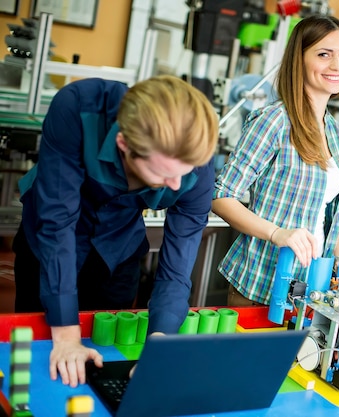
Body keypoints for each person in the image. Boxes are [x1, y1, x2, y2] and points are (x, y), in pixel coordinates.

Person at [12, 74, 219, 387]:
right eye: (164, 174)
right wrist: (66, 336)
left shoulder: (196, 166)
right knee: (39, 363)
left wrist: (159, 344)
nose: (177, 185)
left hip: (118, 247)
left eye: (184, 173)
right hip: (49, 243)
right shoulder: (79, 106)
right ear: (124, 145)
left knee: (105, 358)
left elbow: (176, 270)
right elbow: (57, 223)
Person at [212, 14, 339, 306]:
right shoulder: (274, 121)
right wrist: (276, 233)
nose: (337, 66)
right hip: (260, 286)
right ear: (298, 60)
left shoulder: (334, 131)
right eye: (324, 54)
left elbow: (320, 216)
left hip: (309, 292)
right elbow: (220, 196)